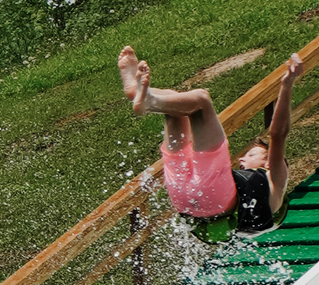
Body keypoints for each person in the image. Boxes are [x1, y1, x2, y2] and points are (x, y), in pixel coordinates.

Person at [117, 47, 303, 237]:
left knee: (201, 100)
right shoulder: (259, 205)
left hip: (209, 194)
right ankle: (136, 92)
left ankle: (147, 100)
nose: (241, 160)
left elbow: (278, 134)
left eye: (252, 154)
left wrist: (287, 86)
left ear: (269, 163)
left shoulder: (275, 181)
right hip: (183, 199)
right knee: (176, 106)